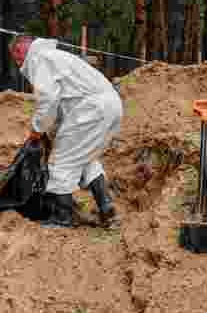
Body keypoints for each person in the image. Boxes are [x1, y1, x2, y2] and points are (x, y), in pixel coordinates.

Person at [8, 36, 122, 228]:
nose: (18, 64)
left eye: (16, 58)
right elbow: (63, 103)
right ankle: (106, 207)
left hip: (91, 110)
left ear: (20, 51)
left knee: (60, 162)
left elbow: (48, 99)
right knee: (83, 159)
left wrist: (37, 130)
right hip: (111, 106)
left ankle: (62, 218)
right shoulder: (55, 56)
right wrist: (51, 133)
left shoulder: (39, 59)